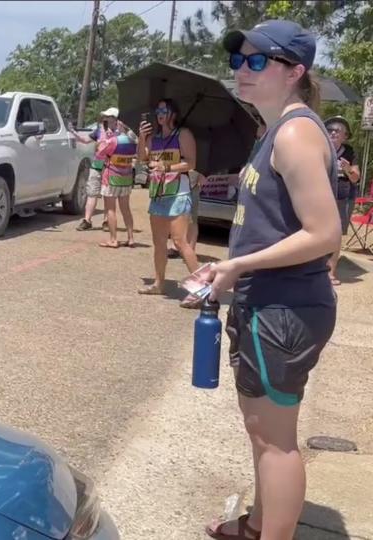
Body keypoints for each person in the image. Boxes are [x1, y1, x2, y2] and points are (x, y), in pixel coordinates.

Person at [204, 20, 341, 540]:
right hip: (265, 301)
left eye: (258, 61)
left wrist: (239, 266)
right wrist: (229, 270)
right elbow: (271, 226)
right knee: (261, 431)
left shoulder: (295, 131)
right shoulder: (276, 129)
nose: (242, 69)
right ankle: (259, 525)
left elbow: (325, 231)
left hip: (284, 309)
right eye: (239, 60)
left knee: (276, 441)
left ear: (295, 72)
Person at [135, 99, 202, 308]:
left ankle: (202, 289)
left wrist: (167, 167)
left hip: (178, 194)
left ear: (173, 113)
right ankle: (159, 283)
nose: (160, 113)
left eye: (164, 110)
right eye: (158, 110)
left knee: (180, 242)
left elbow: (191, 163)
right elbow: (142, 158)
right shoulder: (154, 137)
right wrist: (141, 137)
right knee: (159, 243)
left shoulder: (183, 134)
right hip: (158, 194)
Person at [70, 107, 128, 231]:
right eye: (105, 117)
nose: (105, 119)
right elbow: (86, 140)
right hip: (97, 165)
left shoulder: (121, 133)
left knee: (108, 195)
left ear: (115, 119)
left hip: (112, 168)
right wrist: (75, 134)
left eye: (108, 117)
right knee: (92, 192)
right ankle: (87, 220)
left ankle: (107, 221)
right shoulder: (100, 130)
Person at [325, 115, 361, 285]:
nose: (332, 133)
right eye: (330, 129)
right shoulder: (319, 147)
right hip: (320, 194)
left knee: (335, 234)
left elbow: (355, 178)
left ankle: (330, 272)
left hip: (340, 196)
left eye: (337, 130)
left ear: (345, 136)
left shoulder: (349, 152)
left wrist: (347, 169)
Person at [97, 126, 138, 247]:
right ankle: (131, 238)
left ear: (121, 126)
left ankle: (113, 239)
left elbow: (100, 153)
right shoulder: (133, 141)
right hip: (126, 178)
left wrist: (105, 139)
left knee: (110, 209)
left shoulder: (114, 140)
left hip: (112, 177)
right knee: (126, 209)